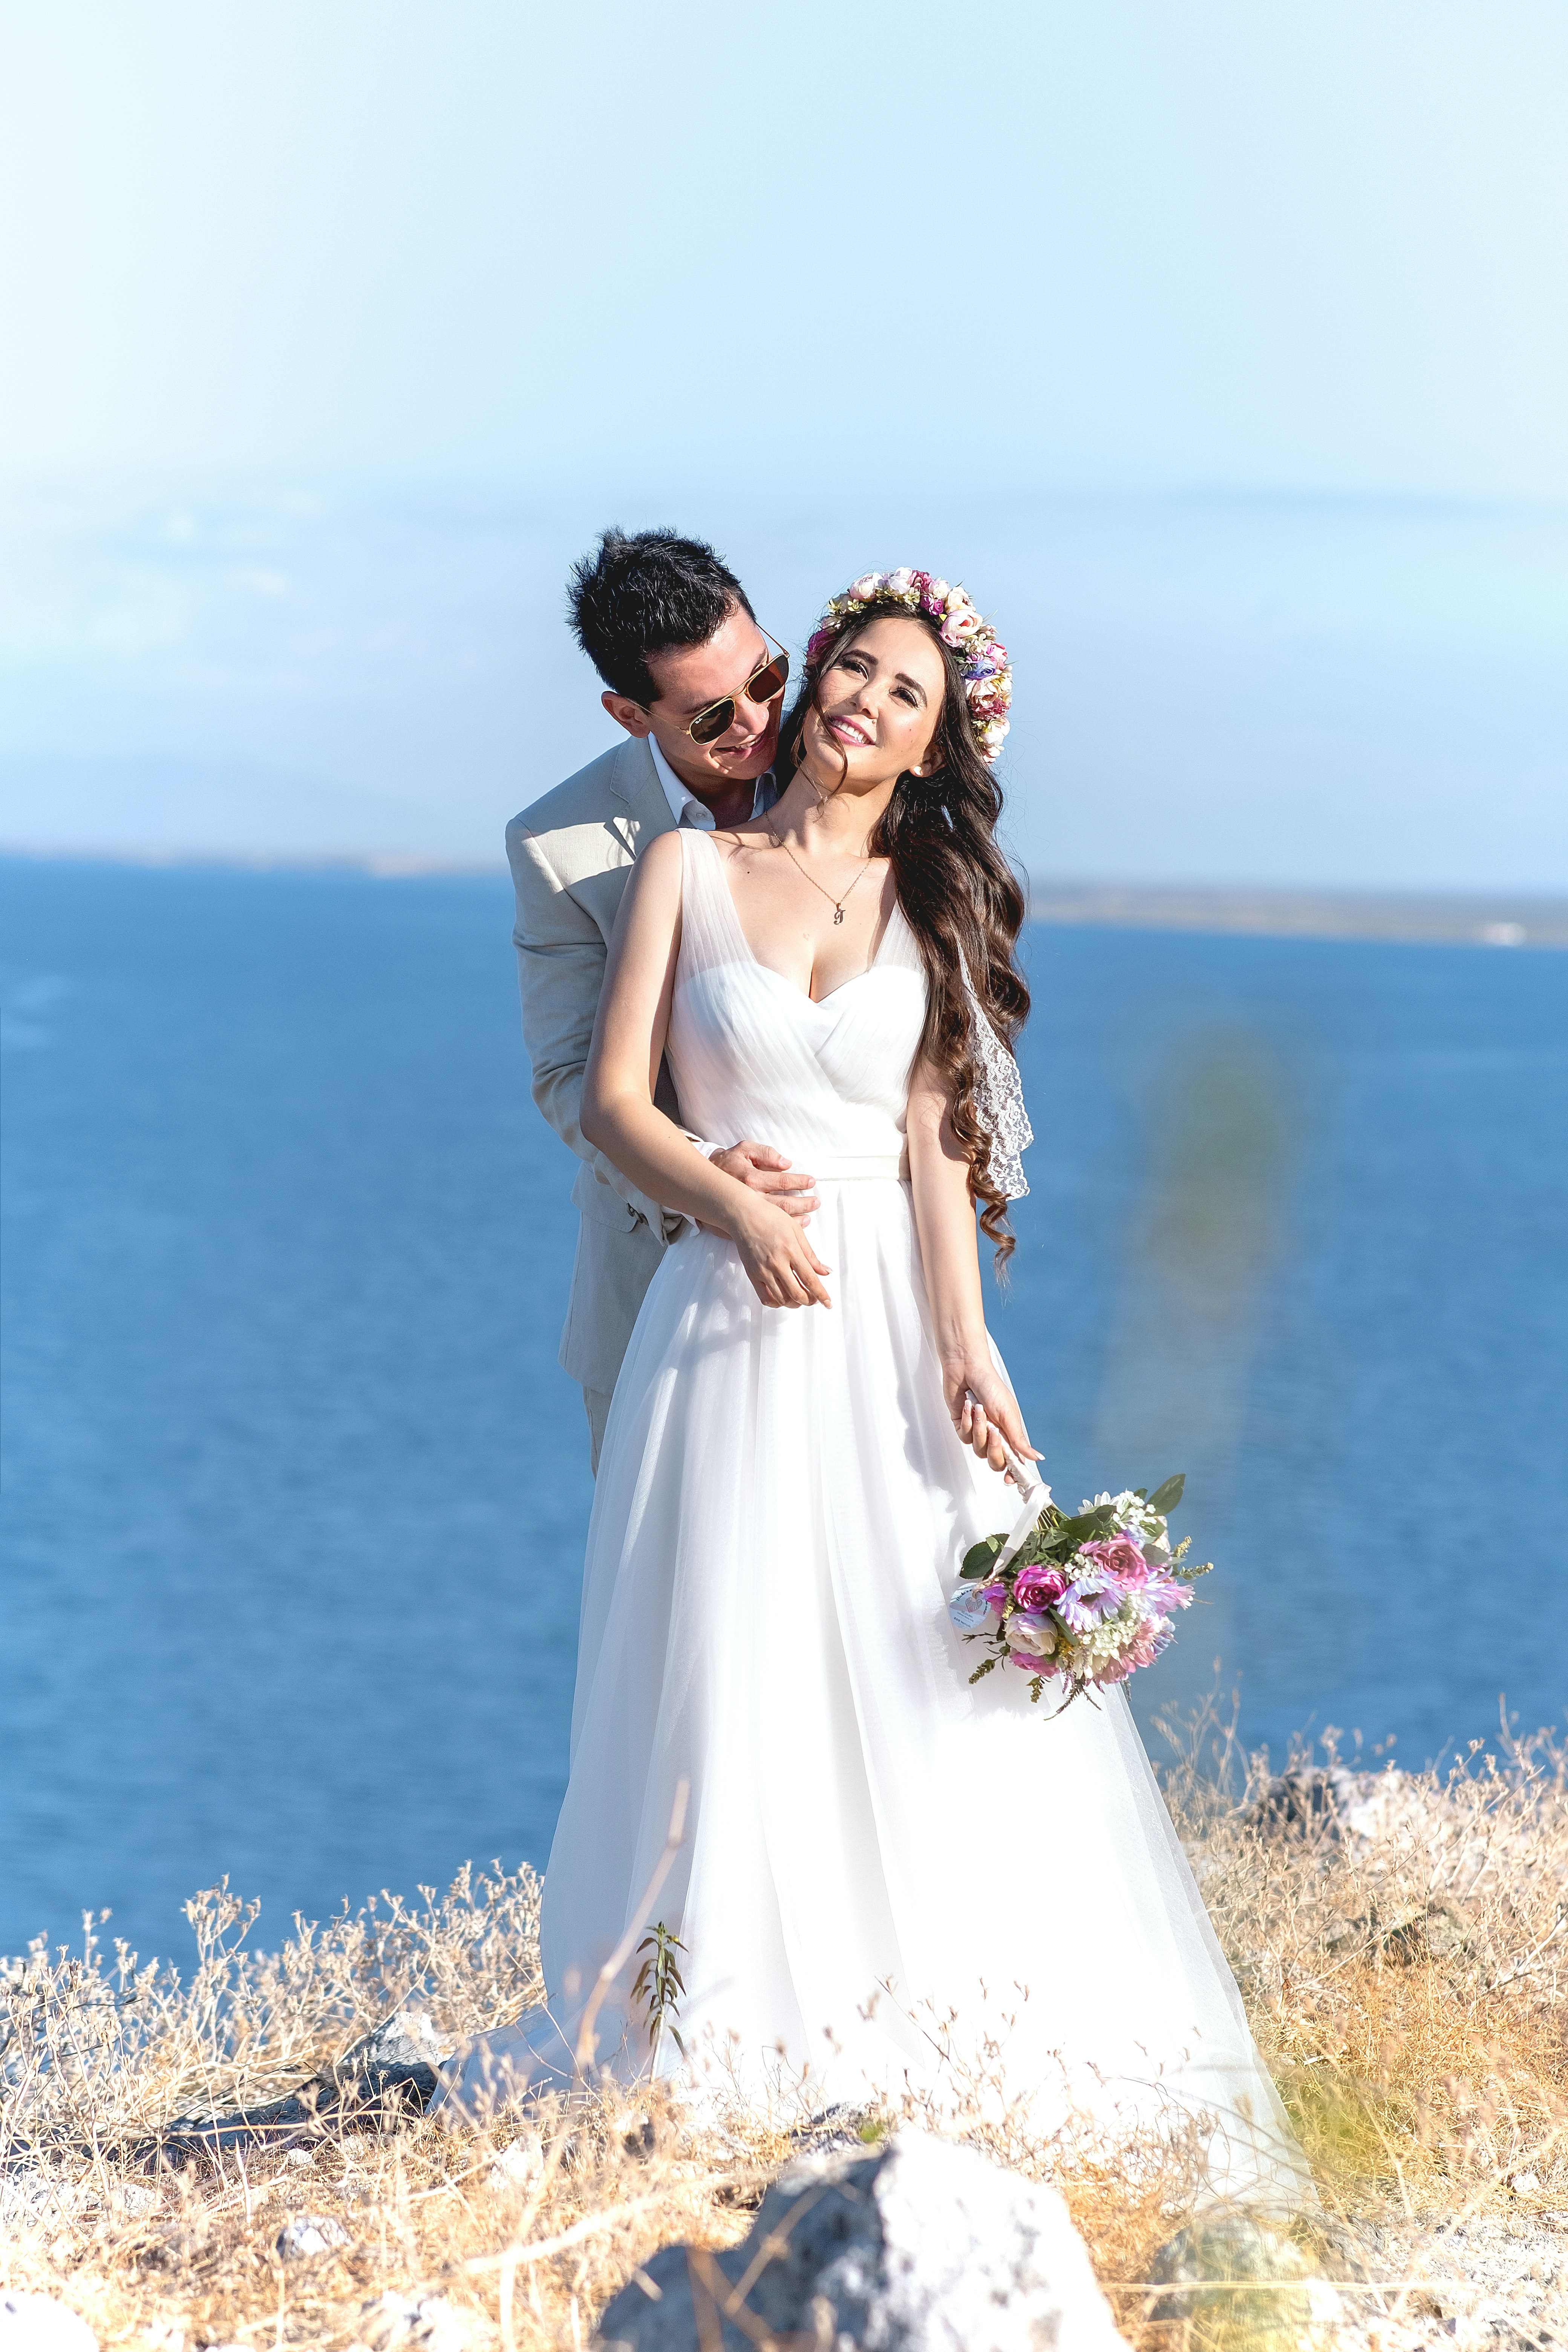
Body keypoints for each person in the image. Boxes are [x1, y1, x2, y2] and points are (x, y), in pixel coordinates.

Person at [445, 568, 1307, 2204]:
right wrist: (723, 1194)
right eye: (844, 675)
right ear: (638, 719)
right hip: (716, 1317)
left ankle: (948, 2025)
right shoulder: (674, 866)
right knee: (724, 1664)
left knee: (931, 1660)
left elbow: (929, 1147)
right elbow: (601, 1095)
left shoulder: (931, 900)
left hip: (889, 1339)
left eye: (881, 690)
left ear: (933, 742)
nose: (826, 707)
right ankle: (704, 2037)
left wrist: (969, 1347)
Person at [509, 527, 822, 1470]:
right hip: (652, 1281)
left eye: (766, 679)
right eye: (711, 715)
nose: (758, 724)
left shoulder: (843, 761)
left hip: (855, 1264)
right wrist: (701, 1173)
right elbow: (567, 1076)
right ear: (627, 714)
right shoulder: (556, 843)